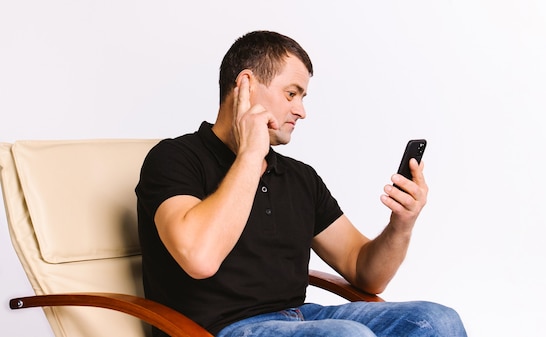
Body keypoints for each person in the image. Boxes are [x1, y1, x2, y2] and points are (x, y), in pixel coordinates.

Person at [136, 30, 467, 337]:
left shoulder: (299, 177)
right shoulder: (174, 158)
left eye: (303, 96)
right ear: (246, 85)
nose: (301, 111)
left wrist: (402, 223)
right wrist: (251, 156)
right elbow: (199, 259)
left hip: (301, 318)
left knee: (437, 320)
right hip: (220, 329)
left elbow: (364, 271)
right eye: (291, 94)